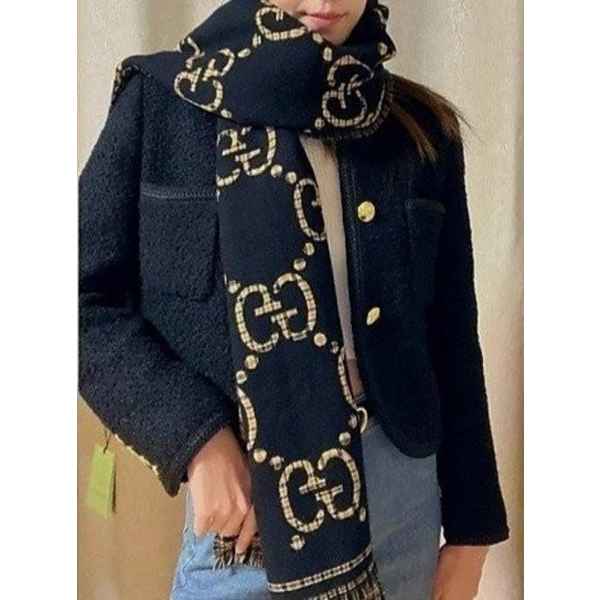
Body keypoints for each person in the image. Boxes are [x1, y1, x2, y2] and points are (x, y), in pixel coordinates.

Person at [79, 1, 509, 598]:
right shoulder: (167, 102)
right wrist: (195, 439)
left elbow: (453, 337)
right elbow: (80, 303)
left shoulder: (419, 129)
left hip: (404, 505)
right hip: (250, 509)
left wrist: (472, 531)